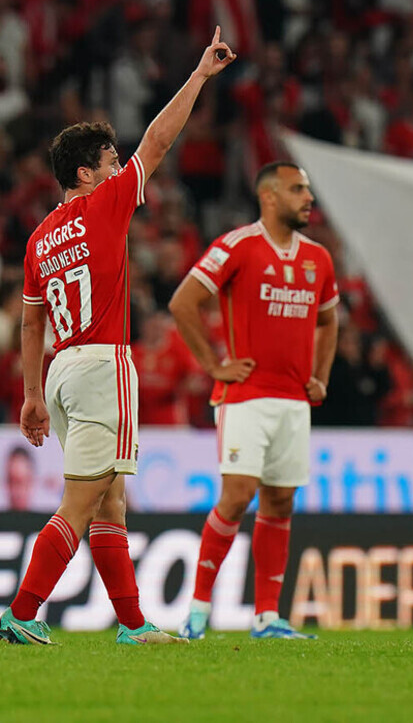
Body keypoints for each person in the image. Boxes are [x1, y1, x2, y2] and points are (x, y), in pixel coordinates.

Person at [0, 27, 237, 646]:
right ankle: (21, 613)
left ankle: (132, 626)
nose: (120, 166)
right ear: (87, 172)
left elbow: (30, 322)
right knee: (83, 502)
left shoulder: (38, 239)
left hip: (60, 370)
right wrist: (200, 77)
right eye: (111, 160)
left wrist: (30, 395)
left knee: (110, 505)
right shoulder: (103, 206)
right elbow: (159, 142)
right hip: (105, 364)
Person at [168, 161, 339, 640]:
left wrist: (320, 376)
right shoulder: (237, 246)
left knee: (281, 501)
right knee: (239, 495)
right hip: (245, 396)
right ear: (269, 197)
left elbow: (329, 321)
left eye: (308, 189)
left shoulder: (318, 259)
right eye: (297, 189)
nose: (308, 198)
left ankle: (267, 616)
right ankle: (198, 610)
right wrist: (213, 364)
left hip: (293, 400)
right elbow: (183, 302)